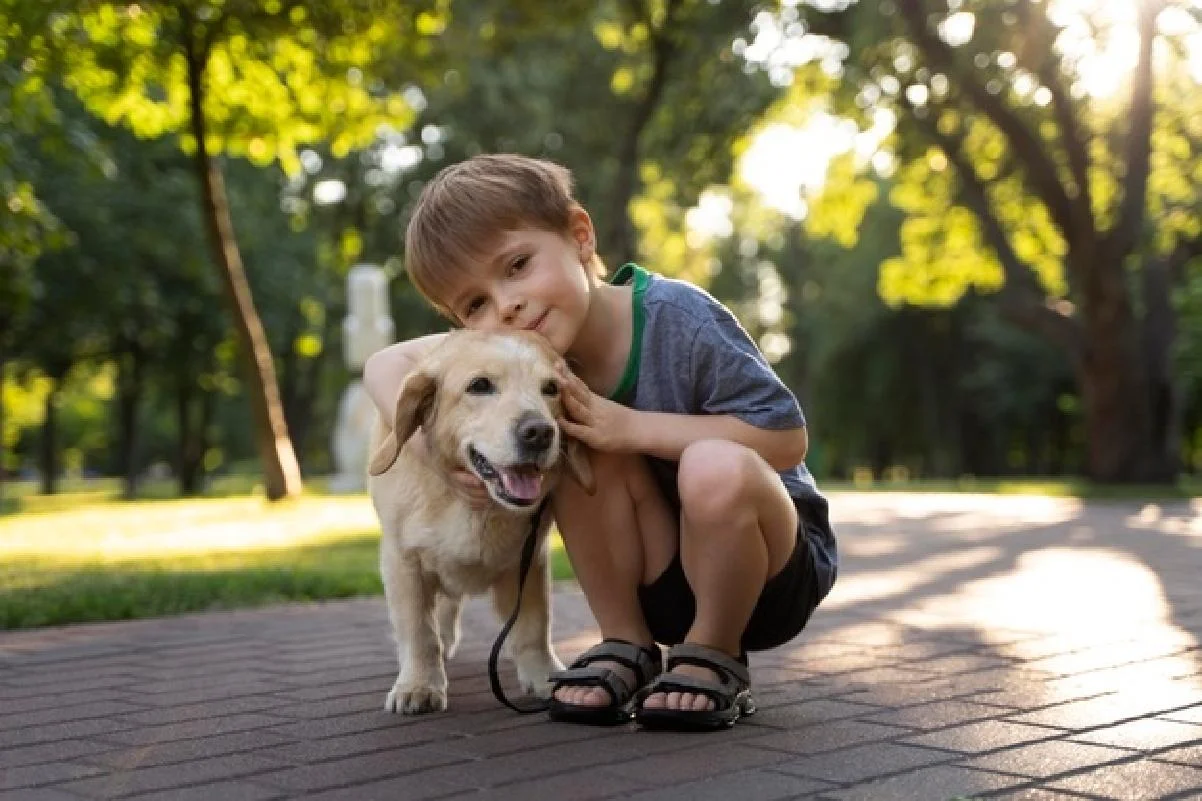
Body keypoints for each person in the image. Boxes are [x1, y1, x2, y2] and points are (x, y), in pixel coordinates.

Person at [364, 154, 837, 731]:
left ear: (580, 236)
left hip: (770, 572)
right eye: (474, 305)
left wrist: (631, 427)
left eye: (516, 265)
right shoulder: (521, 357)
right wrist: (431, 455)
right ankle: (627, 644)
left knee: (709, 465)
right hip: (662, 578)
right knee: (570, 445)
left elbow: (786, 438)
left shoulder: (679, 316)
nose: (505, 305)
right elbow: (386, 363)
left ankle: (714, 654)